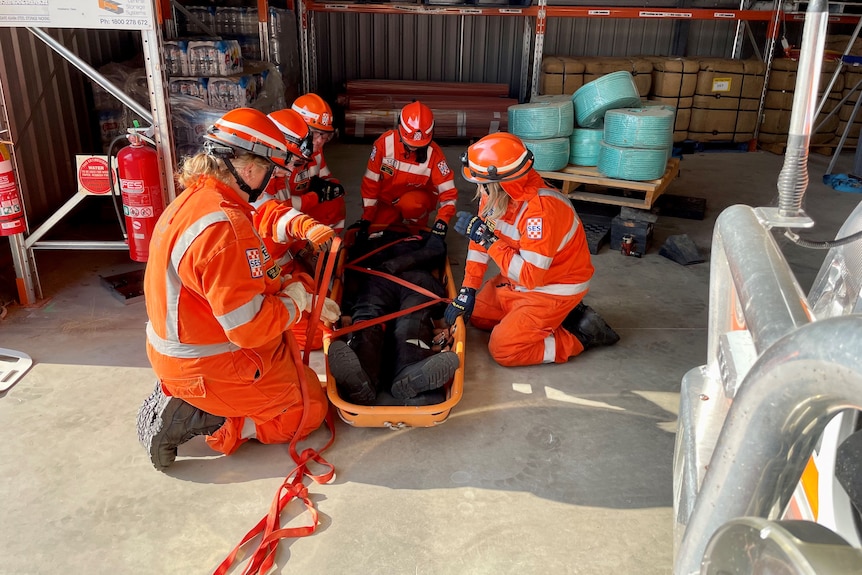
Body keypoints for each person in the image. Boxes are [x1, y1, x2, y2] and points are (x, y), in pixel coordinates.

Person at [137, 107, 340, 471]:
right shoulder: (225, 227)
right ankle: (211, 420)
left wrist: (298, 290)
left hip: (190, 349)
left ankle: (190, 398)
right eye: (268, 170)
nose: (269, 180)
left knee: (305, 378)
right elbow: (249, 329)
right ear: (247, 168)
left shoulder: (196, 203)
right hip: (210, 363)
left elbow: (246, 277)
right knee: (308, 410)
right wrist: (297, 303)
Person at [444, 132, 619, 367]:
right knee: (476, 314)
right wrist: (468, 290)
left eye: (482, 184)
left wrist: (488, 240)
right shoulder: (493, 195)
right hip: (519, 281)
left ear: (501, 182)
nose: (479, 190)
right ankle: (543, 320)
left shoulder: (541, 212)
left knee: (504, 349)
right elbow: (479, 244)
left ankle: (581, 335)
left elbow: (530, 276)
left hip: (553, 288)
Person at [327, 228, 459, 406]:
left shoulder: (422, 236)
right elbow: (351, 266)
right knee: (368, 319)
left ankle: (410, 371)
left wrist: (397, 264)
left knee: (412, 321)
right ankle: (361, 374)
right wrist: (348, 307)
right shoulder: (364, 238)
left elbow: (437, 251)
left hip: (415, 278)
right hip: (376, 278)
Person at [252, 107, 337, 350]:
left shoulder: (272, 175)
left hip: (278, 266)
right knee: (314, 335)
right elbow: (272, 215)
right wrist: (306, 226)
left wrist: (302, 249)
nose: (290, 169)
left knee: (324, 301)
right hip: (260, 280)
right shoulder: (251, 184)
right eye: (288, 161)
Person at [354, 101, 457, 241]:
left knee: (412, 206)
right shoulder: (384, 144)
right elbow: (371, 182)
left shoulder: (435, 155)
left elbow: (448, 193)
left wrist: (442, 222)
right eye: (410, 144)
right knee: (375, 234)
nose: (414, 148)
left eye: (419, 145)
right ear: (399, 129)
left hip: (415, 203)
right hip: (387, 202)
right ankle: (393, 221)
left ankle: (416, 227)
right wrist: (367, 217)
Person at [288, 93, 347, 234]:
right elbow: (277, 205)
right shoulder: (280, 157)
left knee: (334, 202)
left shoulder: (316, 151)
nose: (320, 140)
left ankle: (329, 247)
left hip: (304, 203)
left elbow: (326, 175)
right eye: (315, 133)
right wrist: (315, 197)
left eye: (324, 135)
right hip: (282, 216)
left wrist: (332, 186)